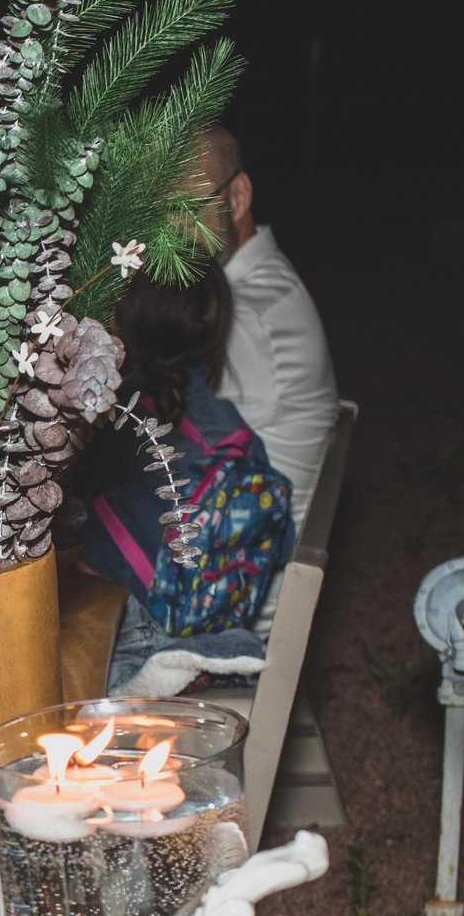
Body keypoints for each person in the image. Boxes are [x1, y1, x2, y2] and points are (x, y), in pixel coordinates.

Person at [68, 270, 295, 696]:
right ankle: (213, 651)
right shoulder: (233, 426)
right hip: (222, 617)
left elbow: (89, 545)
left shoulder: (119, 424)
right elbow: (280, 543)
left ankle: (149, 665)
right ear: (214, 335)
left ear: (121, 326)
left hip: (139, 625)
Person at [197, 124, 340, 532]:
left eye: (190, 209)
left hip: (245, 582)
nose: (169, 235)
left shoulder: (246, 318)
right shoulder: (260, 285)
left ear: (238, 197)